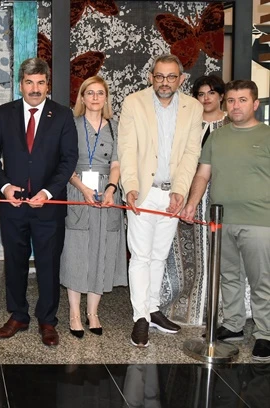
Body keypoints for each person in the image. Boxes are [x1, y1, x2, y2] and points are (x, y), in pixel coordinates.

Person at [0, 57, 79, 347]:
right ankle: (18, 315)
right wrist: (4, 186)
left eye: (40, 83)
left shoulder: (62, 115)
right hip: (13, 205)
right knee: (15, 262)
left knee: (48, 263)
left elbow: (68, 159)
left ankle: (47, 320)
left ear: (47, 85)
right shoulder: (4, 114)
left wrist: (48, 192)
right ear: (20, 84)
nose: (35, 88)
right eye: (29, 82)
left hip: (48, 206)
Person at [180, 80, 270, 362]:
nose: (236, 106)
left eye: (242, 100)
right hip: (221, 222)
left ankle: (265, 334)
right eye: (231, 100)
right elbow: (202, 174)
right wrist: (191, 204)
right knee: (229, 276)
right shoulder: (217, 137)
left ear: (255, 104)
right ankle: (233, 325)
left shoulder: (267, 135)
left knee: (261, 280)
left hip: (260, 221)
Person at [117, 54, 203, 348]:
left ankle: (153, 309)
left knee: (159, 255)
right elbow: (127, 149)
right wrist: (130, 186)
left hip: (171, 195)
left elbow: (191, 153)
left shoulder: (193, 108)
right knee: (140, 256)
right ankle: (140, 317)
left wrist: (180, 189)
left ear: (181, 79)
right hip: (143, 192)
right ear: (150, 77)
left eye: (171, 76)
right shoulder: (134, 103)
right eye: (159, 76)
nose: (165, 82)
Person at [60, 76, 127, 338]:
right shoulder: (71, 125)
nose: (95, 97)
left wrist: (111, 188)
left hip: (107, 195)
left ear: (106, 97)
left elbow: (117, 163)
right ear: (82, 97)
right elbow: (64, 163)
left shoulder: (115, 127)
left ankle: (93, 312)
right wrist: (83, 188)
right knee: (76, 252)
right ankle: (74, 314)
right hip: (78, 190)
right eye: (90, 93)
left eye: (100, 93)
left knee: (103, 251)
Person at [164, 75, 229, 324]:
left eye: (211, 93)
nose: (206, 98)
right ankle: (185, 305)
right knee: (185, 252)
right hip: (187, 193)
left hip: (220, 195)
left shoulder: (229, 124)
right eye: (201, 94)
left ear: (221, 95)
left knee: (221, 251)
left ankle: (221, 309)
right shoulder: (188, 124)